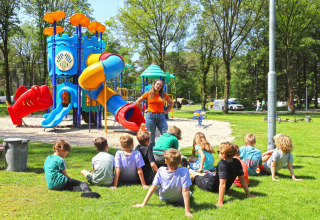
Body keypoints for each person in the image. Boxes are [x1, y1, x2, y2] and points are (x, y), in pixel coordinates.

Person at [190, 142, 255, 207]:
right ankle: (192, 171)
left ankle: (190, 171)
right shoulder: (236, 161)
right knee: (206, 175)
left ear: (223, 154)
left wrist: (220, 202)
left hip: (211, 186)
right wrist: (248, 194)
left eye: (218, 152)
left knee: (195, 177)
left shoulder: (222, 164)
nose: (218, 153)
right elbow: (242, 178)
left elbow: (222, 183)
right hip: (214, 180)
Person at [132, 149, 193, 217]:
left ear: (165, 161)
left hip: (164, 198)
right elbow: (185, 191)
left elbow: (153, 187)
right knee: (188, 190)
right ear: (180, 162)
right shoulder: (184, 171)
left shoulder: (161, 170)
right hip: (179, 199)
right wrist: (187, 211)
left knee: (156, 188)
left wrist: (143, 204)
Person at [136, 79, 174, 146]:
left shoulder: (163, 95)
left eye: (160, 85)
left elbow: (171, 103)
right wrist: (143, 110)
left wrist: (167, 111)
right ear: (154, 85)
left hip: (161, 116)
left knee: (166, 133)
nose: (158, 86)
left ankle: (164, 149)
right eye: (157, 84)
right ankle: (151, 153)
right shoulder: (148, 94)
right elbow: (137, 102)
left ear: (162, 87)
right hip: (150, 116)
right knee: (151, 136)